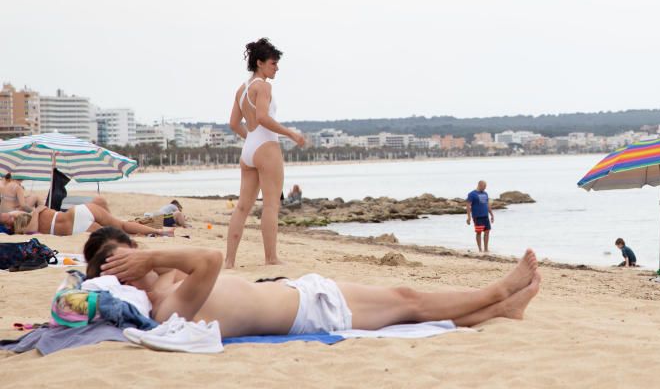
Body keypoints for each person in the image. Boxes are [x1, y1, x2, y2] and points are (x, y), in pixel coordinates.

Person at [88, 238, 542, 338]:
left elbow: (190, 264)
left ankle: (499, 310)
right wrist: (146, 261)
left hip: (302, 293)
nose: (142, 249)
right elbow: (209, 259)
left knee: (408, 307)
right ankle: (497, 292)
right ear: (121, 269)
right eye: (130, 252)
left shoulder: (167, 285)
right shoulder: (167, 307)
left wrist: (147, 259)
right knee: (409, 301)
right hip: (313, 312)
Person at [226, 38, 305, 268]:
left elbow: (233, 123)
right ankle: (271, 258)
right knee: (271, 205)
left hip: (249, 149)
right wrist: (290, 133)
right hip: (266, 147)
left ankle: (229, 261)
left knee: (242, 207)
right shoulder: (263, 86)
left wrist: (251, 140)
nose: (277, 67)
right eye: (273, 63)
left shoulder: (241, 89)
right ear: (260, 63)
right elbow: (262, 117)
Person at [0, 200, 173, 237]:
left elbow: (31, 225)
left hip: (75, 222)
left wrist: (36, 209)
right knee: (121, 226)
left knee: (119, 229)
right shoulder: (20, 225)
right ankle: (160, 231)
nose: (8, 214)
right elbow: (32, 228)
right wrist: (38, 211)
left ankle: (160, 232)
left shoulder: (18, 219)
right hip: (76, 216)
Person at [465, 180, 494, 253]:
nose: (485, 188)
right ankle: (480, 249)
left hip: (485, 216)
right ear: (480, 185)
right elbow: (468, 206)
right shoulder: (472, 194)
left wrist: (491, 214)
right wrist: (468, 217)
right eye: (484, 186)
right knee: (479, 232)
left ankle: (486, 249)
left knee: (487, 232)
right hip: (477, 216)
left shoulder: (485, 194)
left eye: (485, 187)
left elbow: (487, 205)